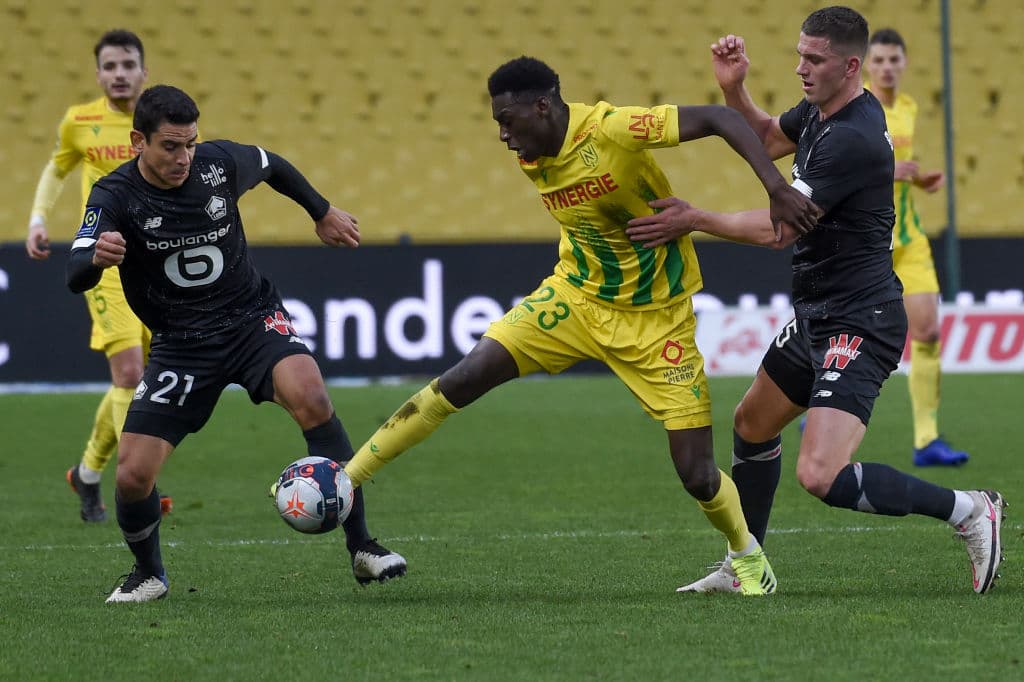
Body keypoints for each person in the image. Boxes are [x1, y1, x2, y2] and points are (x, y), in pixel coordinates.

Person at [338, 56, 819, 596]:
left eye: (507, 120)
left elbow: (718, 118)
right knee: (467, 374)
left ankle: (746, 560)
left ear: (542, 106)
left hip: (657, 319)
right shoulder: (534, 148)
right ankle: (345, 480)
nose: (502, 135)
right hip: (574, 298)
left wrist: (777, 188)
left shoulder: (613, 128)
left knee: (698, 474)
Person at [626, 6, 1003, 595]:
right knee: (751, 424)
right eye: (799, 54)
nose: (801, 68)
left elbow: (781, 228)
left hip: (861, 318)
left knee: (820, 474)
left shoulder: (851, 139)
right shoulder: (826, 110)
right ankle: (745, 564)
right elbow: (770, 137)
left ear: (850, 66)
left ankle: (970, 510)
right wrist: (735, 88)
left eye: (814, 59)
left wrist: (696, 218)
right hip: (817, 314)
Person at [66, 85, 406, 602]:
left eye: (190, 144)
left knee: (312, 396)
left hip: (251, 321)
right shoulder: (115, 195)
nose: (184, 158)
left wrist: (321, 210)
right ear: (139, 141)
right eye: (170, 147)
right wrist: (97, 257)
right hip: (181, 345)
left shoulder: (218, 164)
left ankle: (363, 547)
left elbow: (273, 164)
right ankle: (149, 574)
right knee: (133, 476)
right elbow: (75, 273)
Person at [26, 29, 172, 521]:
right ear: (98, 75)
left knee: (144, 378)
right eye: (110, 66)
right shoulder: (80, 121)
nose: (119, 74)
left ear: (143, 72)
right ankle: (140, 482)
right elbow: (57, 167)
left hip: (154, 262)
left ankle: (86, 473)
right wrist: (38, 218)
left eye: (128, 64)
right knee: (129, 373)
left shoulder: (160, 123)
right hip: (105, 259)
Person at [864, 28, 967, 466]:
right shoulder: (857, 108)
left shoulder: (907, 108)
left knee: (927, 332)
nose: (888, 67)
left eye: (894, 60)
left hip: (908, 237)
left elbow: (898, 171)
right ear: (866, 65)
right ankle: (819, 406)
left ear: (905, 63)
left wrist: (917, 178)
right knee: (850, 330)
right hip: (868, 241)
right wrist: (891, 172)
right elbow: (842, 169)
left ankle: (927, 440)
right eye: (880, 60)